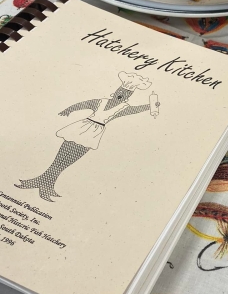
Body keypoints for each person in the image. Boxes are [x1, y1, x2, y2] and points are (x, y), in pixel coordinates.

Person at [16, 71, 159, 202]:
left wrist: (151, 105)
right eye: (120, 91)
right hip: (82, 127)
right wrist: (69, 109)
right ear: (116, 91)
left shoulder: (123, 108)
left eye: (125, 94)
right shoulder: (101, 101)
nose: (121, 95)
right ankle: (45, 183)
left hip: (94, 133)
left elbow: (136, 109)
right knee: (61, 156)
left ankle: (45, 182)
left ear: (128, 97)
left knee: (70, 159)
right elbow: (84, 104)